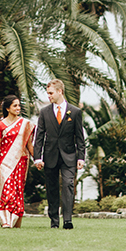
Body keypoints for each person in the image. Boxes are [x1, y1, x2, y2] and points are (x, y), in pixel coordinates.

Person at [33, 79, 85, 229]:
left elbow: (80, 137)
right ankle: (54, 221)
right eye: (47, 93)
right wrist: (37, 157)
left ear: (59, 91)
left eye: (51, 93)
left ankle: (67, 220)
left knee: (68, 185)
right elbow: (39, 137)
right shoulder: (44, 112)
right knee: (52, 188)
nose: (48, 96)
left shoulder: (75, 112)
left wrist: (81, 157)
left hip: (69, 156)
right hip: (50, 156)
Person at [0, 95, 35, 228]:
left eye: (19, 105)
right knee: (7, 190)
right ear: (7, 108)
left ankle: (14, 222)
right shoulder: (0, 125)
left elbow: (29, 145)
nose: (18, 108)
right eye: (15, 106)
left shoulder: (25, 124)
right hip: (5, 163)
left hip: (21, 162)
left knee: (17, 191)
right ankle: (5, 220)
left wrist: (38, 159)